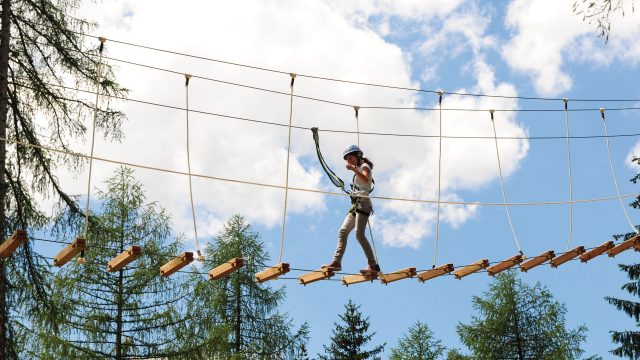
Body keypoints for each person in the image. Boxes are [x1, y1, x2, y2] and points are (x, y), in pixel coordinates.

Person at [323, 145, 381, 274]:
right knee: (343, 231)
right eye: (347, 160)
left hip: (364, 203)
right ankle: (336, 262)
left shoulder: (364, 166)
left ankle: (372, 265)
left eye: (350, 158)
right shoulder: (358, 168)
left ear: (358, 156)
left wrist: (354, 170)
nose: (349, 161)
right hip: (357, 204)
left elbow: (366, 179)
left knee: (359, 235)